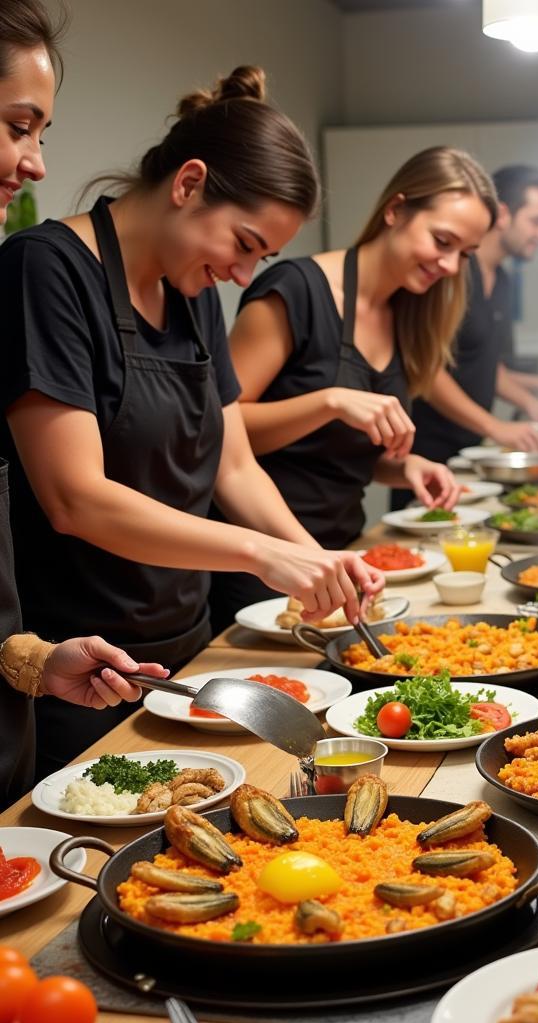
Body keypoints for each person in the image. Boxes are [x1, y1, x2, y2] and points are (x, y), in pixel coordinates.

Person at [0, 65, 383, 781]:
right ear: (188, 183)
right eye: (243, 244)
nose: (244, 275)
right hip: (84, 670)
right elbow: (74, 498)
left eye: (261, 258)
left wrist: (317, 561)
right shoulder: (46, 270)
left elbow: (233, 465)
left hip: (194, 652)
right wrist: (258, 554)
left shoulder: (192, 292)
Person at [207, 146, 497, 629]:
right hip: (265, 566)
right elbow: (222, 433)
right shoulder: (296, 290)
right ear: (395, 210)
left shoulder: (408, 311)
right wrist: (330, 401)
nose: (450, 265)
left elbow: (331, 452)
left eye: (464, 254)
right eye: (442, 241)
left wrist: (402, 468)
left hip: (346, 551)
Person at [0, 0, 166, 807]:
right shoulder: (42, 269)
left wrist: (30, 658)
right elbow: (73, 497)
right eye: (15, 126)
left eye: (41, 135)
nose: (32, 163)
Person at [394, 165, 538, 507]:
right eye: (537, 220)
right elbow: (426, 368)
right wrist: (495, 426)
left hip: (472, 449)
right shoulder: (451, 275)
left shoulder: (503, 280)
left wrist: (531, 400)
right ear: (503, 214)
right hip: (430, 453)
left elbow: (486, 363)